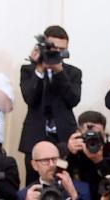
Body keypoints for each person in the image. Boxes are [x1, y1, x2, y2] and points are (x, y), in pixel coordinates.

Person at [19, 25, 82, 185]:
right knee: (34, 184)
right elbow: (30, 98)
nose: (57, 53)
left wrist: (59, 72)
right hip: (35, 136)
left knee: (64, 180)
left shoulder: (73, 72)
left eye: (62, 50)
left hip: (64, 138)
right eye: (53, 49)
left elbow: (73, 100)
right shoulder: (28, 70)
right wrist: (39, 69)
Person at [66, 111, 110, 185]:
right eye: (88, 135)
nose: (92, 139)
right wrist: (70, 154)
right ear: (78, 133)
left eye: (97, 135)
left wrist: (100, 162)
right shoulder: (72, 150)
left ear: (104, 135)